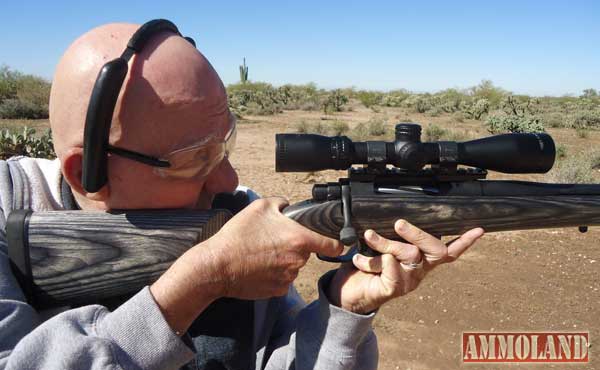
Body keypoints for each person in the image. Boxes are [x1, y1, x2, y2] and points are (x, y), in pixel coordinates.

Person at [0, 22, 484, 370]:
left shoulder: (229, 214)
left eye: (225, 145)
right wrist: (201, 280)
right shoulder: (8, 209)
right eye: (194, 160)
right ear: (86, 175)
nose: (228, 181)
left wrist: (344, 309)